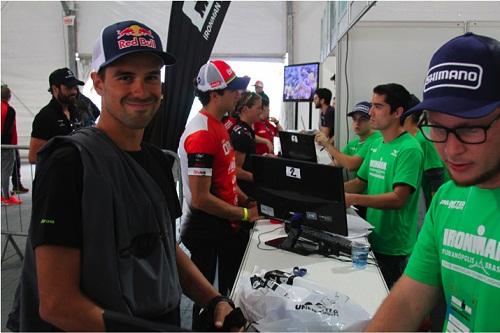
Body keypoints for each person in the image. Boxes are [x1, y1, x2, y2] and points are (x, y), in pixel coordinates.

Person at [9, 20, 242, 332]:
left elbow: (163, 246)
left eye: (151, 77)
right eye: (125, 76)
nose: (140, 90)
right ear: (99, 82)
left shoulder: (157, 161)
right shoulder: (69, 163)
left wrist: (214, 300)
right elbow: (56, 304)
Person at [366, 33, 500, 332]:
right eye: (437, 126)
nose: (451, 150)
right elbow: (408, 301)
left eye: (471, 129)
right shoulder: (447, 199)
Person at [178, 59, 260, 330]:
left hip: (224, 224)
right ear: (215, 94)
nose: (239, 95)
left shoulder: (219, 125)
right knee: (207, 298)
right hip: (206, 227)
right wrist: (246, 213)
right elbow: (201, 198)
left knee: (230, 290)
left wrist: (245, 200)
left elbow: (226, 177)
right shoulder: (202, 133)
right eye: (233, 89)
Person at [344, 83, 424, 289]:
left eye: (378, 107)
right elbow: (360, 183)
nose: (371, 112)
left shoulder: (409, 149)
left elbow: (398, 199)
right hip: (372, 237)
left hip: (394, 247)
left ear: (398, 112)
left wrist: (353, 199)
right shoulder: (377, 144)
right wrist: (331, 190)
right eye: (372, 105)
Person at [28, 67, 85, 164]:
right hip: (56, 176)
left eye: (75, 87)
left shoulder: (76, 112)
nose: (74, 92)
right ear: (55, 89)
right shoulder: (45, 117)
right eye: (69, 88)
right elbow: (33, 157)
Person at [403, 94, 448, 209]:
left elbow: (436, 176)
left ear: (410, 115)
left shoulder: (423, 139)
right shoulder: (407, 139)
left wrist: (435, 210)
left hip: (431, 200)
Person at [315, 101, 381, 173]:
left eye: (362, 119)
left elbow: (351, 165)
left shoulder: (377, 140)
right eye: (354, 119)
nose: (357, 123)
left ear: (372, 120)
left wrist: (327, 144)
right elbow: (336, 163)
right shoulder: (353, 143)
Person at [230, 91, 263, 199]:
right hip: (244, 192)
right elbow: (236, 170)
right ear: (245, 109)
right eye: (258, 108)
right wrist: (260, 178)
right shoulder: (242, 135)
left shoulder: (245, 129)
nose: (261, 111)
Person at [1, 84, 22, 205]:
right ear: (9, 96)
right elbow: (7, 130)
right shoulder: (9, 110)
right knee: (5, 171)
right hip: (7, 145)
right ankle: (6, 196)